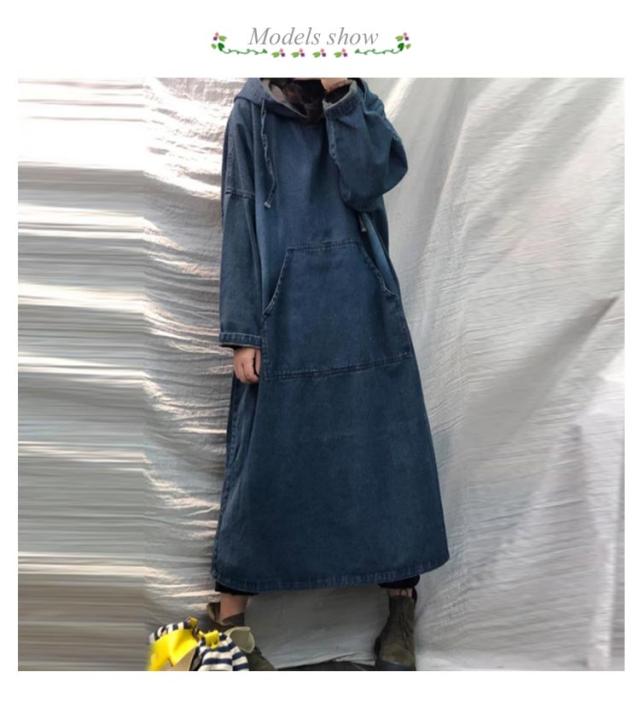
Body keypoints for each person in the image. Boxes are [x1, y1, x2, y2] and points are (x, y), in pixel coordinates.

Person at [203, 77, 450, 671]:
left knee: (386, 457)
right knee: (263, 464)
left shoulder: (357, 102)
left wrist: (341, 97)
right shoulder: (253, 111)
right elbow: (239, 212)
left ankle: (401, 607)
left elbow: (368, 181)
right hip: (282, 312)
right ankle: (229, 622)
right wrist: (242, 329)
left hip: (363, 303)